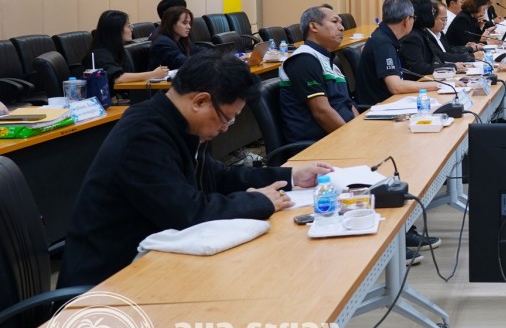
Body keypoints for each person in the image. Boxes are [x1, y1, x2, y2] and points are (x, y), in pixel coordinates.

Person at [58, 51, 335, 286]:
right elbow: (187, 212)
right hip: (109, 280)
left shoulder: (177, 124)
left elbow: (217, 175)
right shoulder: (143, 136)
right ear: (200, 101)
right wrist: (259, 201)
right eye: (226, 119)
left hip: (155, 264)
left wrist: (290, 176)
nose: (225, 129)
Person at [278, 6, 357, 143]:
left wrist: (360, 129)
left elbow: (348, 104)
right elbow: (321, 112)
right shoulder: (304, 59)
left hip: (341, 135)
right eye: (334, 22)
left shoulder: (329, 61)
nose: (342, 27)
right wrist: (353, 140)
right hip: (318, 144)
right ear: (314, 27)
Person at [355, 0, 426, 105]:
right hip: (378, 106)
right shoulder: (383, 43)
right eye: (413, 18)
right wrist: (436, 85)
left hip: (389, 101)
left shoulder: (383, 35)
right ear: (406, 20)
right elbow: (396, 87)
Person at [87, 10, 170, 85]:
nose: (131, 30)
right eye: (128, 26)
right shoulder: (100, 54)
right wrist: (153, 74)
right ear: (117, 30)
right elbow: (118, 78)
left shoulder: (117, 49)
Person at [401, 0, 478, 76]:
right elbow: (418, 67)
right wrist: (452, 67)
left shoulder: (422, 32)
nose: (433, 16)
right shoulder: (413, 36)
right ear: (424, 14)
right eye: (432, 12)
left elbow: (438, 54)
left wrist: (456, 65)